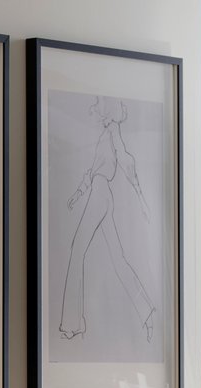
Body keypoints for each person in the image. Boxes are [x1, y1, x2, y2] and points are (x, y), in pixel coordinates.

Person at [58, 97, 155, 342]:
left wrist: (141, 196)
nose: (96, 107)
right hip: (100, 194)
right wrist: (77, 194)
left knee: (77, 249)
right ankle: (147, 313)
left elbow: (125, 159)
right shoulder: (104, 135)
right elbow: (92, 171)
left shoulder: (112, 131)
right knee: (118, 258)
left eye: (100, 104)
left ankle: (72, 324)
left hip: (101, 195)